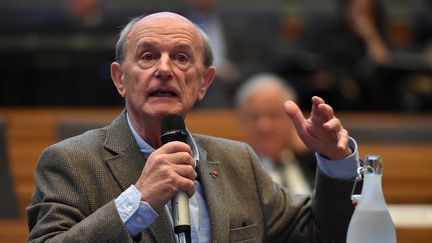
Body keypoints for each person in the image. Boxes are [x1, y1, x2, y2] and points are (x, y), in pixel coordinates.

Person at [27, 12, 359, 242]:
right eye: (147, 56)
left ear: (203, 83)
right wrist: (138, 201)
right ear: (120, 79)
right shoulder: (70, 162)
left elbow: (322, 235)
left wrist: (335, 163)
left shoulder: (237, 162)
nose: (165, 69)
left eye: (182, 58)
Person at [235, 73, 316, 194]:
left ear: (292, 118)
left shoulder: (316, 162)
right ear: (243, 122)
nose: (264, 127)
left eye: (273, 115)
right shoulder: (234, 172)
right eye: (254, 117)